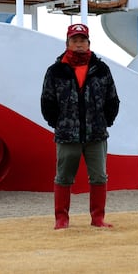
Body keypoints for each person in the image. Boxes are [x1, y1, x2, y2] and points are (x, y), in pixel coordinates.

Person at [40, 23, 120, 229]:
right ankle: (61, 219)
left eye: (82, 40)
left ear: (88, 43)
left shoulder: (102, 69)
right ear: (67, 43)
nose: (78, 44)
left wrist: (105, 122)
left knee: (99, 176)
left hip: (97, 135)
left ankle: (98, 219)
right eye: (74, 40)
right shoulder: (55, 71)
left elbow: (113, 100)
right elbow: (47, 102)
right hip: (67, 135)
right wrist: (58, 124)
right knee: (64, 177)